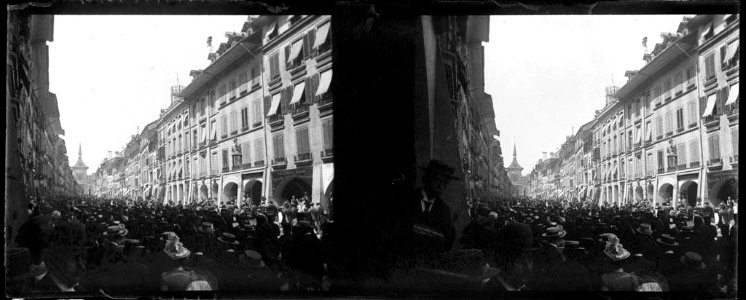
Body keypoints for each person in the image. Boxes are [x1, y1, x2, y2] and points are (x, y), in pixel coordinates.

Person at [410, 160, 459, 253]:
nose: (441, 186)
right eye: (438, 180)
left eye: (445, 183)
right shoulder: (409, 200)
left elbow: (448, 241)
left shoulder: (444, 210)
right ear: (427, 179)